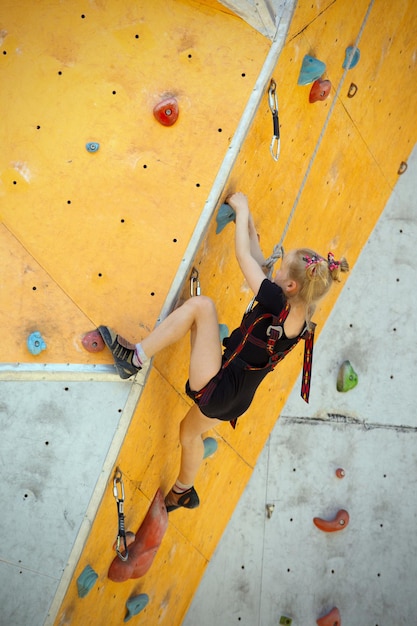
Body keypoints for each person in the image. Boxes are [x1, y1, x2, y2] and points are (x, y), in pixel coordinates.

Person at [98, 192, 349, 513]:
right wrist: (247, 222)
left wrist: (242, 210)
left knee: (201, 308)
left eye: (283, 269)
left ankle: (132, 359)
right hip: (237, 399)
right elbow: (263, 265)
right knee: (187, 433)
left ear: (291, 287)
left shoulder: (275, 299)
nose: (277, 270)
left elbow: (247, 259)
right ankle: (182, 491)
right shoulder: (304, 315)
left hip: (220, 385)